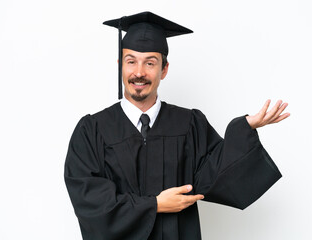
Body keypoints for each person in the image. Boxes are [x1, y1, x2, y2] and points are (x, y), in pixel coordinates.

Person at [64, 11, 290, 240]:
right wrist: (155, 205)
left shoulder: (189, 125)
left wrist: (242, 130)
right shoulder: (92, 130)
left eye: (150, 63)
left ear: (164, 69)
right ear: (120, 65)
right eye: (130, 61)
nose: (139, 72)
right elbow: (90, 202)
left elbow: (214, 176)